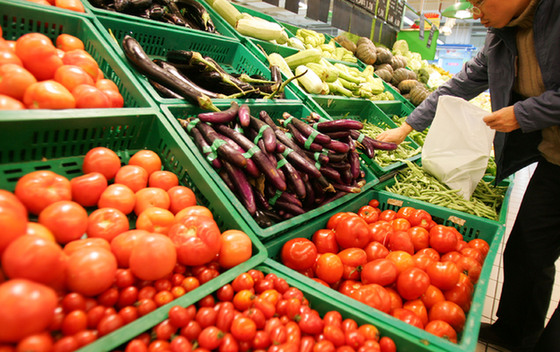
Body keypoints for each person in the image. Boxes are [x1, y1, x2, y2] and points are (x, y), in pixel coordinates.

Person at [376, 0, 560, 351]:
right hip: (555, 158)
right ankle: (515, 333)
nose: (476, 12)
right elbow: (457, 85)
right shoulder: (500, 37)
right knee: (527, 250)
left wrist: (523, 113)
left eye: (479, 2)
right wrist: (406, 126)